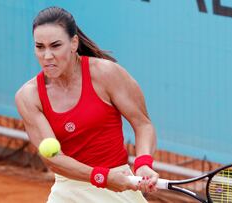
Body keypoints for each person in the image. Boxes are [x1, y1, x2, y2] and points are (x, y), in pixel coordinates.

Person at [15, 6, 159, 203]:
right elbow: (53, 159)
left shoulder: (107, 74)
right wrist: (101, 177)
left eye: (55, 46)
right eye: (40, 47)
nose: (47, 56)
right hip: (68, 190)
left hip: (119, 185)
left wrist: (143, 163)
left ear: (74, 43)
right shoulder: (29, 96)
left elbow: (143, 124)